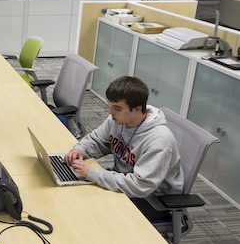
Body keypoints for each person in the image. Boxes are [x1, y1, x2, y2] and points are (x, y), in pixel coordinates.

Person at [63, 75, 184, 220]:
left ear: (137, 109)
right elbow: (97, 140)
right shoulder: (118, 120)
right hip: (122, 181)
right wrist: (80, 150)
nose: (110, 112)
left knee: (93, 214)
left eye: (117, 108)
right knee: (75, 197)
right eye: (110, 106)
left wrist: (93, 173)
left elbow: (139, 186)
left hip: (151, 200)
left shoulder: (159, 142)